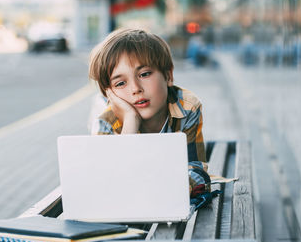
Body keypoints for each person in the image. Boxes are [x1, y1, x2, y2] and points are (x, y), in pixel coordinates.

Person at [89, 28, 210, 197]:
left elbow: (196, 170)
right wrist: (130, 122)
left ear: (168, 76)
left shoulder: (187, 107)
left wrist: (156, 189)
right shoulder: (107, 122)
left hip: (165, 201)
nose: (135, 89)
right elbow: (107, 183)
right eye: (120, 83)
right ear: (109, 95)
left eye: (144, 74)